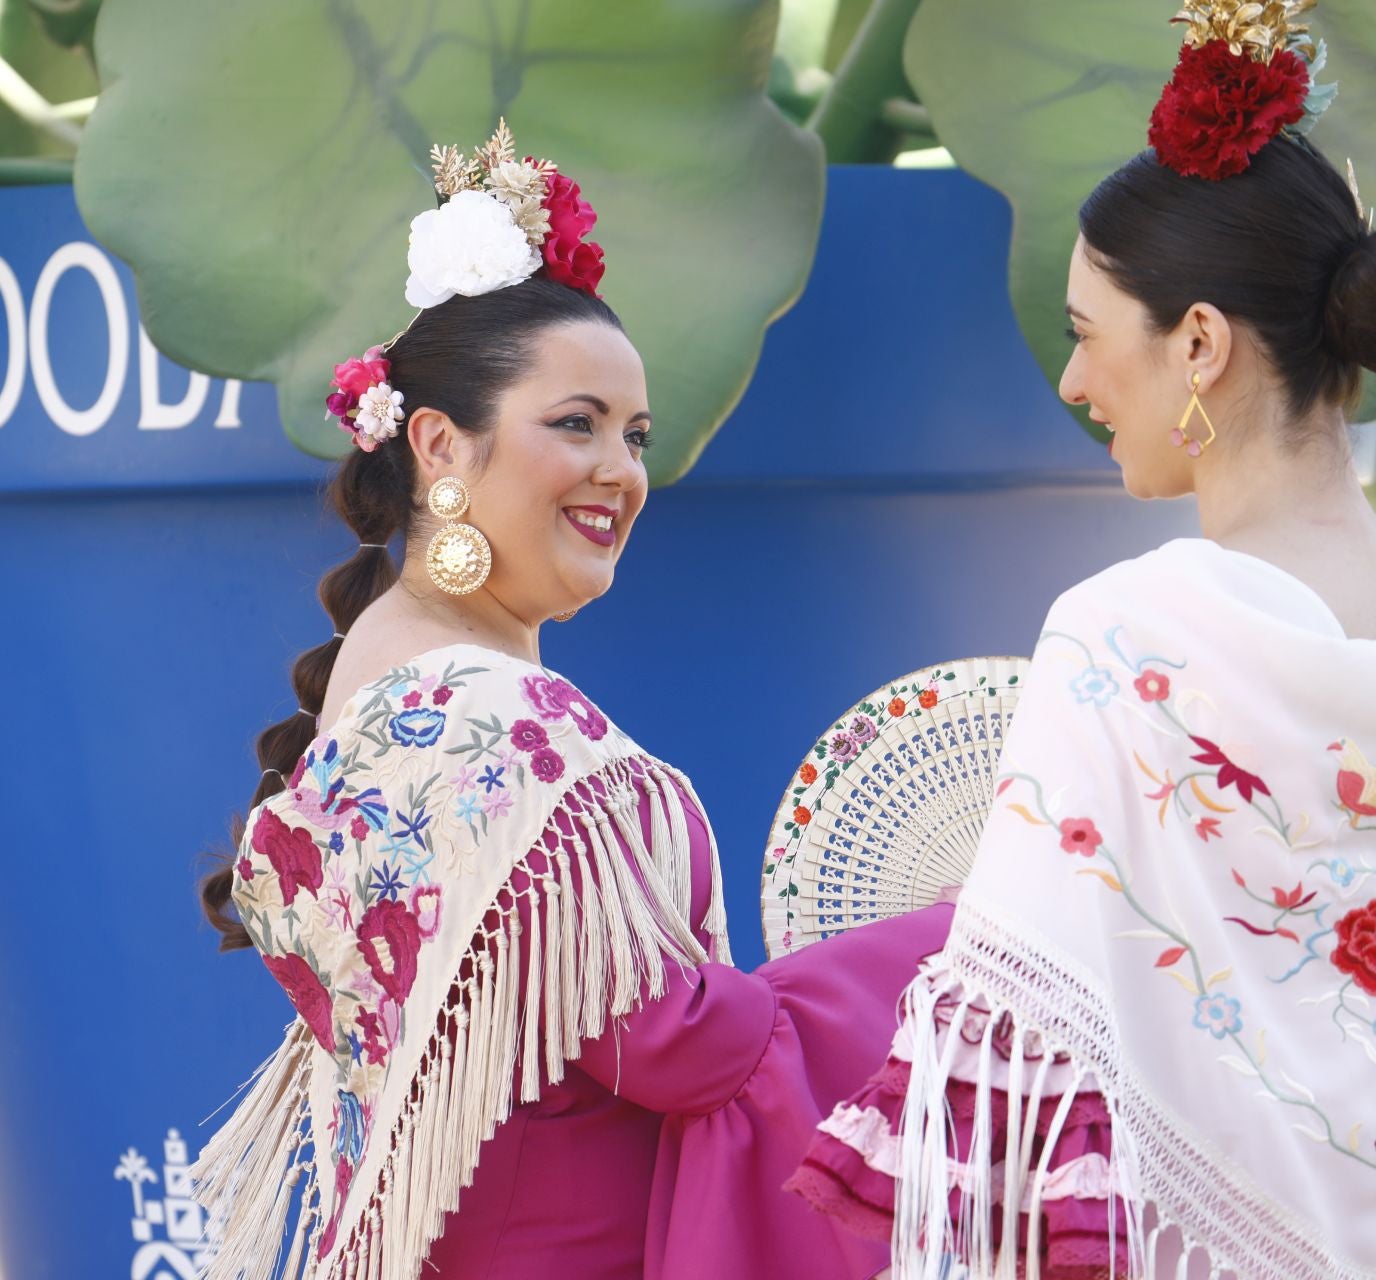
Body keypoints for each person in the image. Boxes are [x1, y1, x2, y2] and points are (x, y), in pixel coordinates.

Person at [191, 122, 952, 1280]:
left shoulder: (389, 677)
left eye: (635, 435)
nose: (620, 469)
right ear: (439, 445)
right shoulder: (492, 720)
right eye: (576, 423)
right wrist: (957, 942)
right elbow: (687, 1047)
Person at [790, 6, 1376, 1277]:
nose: (1072, 382)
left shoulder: (1126, 635)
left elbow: (1030, 1046)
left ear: (1200, 343)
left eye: (1085, 334)